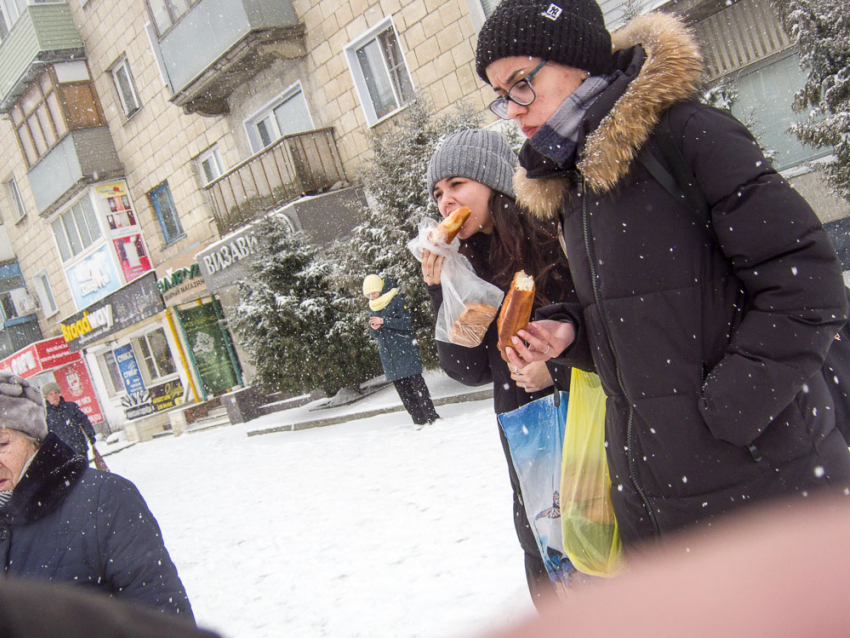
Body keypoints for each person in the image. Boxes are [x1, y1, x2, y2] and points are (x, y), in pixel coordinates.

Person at [474, 0, 850, 547]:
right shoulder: (575, 183)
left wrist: (726, 416)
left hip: (767, 490)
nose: (511, 108)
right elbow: (644, 310)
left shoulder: (688, 136)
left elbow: (807, 288)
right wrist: (572, 333)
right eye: (500, 94)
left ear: (575, 57)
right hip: (652, 499)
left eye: (520, 83)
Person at [421, 128, 576, 608]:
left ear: (493, 183)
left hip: (584, 428)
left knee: (594, 552)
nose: (446, 202)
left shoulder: (557, 238)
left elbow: (605, 329)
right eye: (438, 193)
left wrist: (559, 370)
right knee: (546, 558)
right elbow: (468, 368)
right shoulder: (467, 263)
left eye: (457, 184)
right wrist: (441, 287)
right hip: (525, 437)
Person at [0, 372, 195, 619]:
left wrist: (89, 438)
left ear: (34, 441)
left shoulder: (107, 500)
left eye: (1, 444)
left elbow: (163, 618)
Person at [363, 275, 441, 427]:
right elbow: (374, 335)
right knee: (404, 393)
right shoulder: (373, 307)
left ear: (380, 288)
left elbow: (407, 323)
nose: (372, 296)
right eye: (369, 294)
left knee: (418, 387)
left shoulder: (396, 299)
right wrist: (374, 329)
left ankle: (432, 417)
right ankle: (418, 421)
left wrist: (385, 321)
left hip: (405, 351)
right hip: (389, 357)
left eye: (374, 292)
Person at [42, 381, 97, 458]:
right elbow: (45, 435)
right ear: (46, 397)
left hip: (79, 448)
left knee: (85, 470)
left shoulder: (71, 407)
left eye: (56, 392)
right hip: (62, 454)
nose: (54, 395)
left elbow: (84, 420)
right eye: (51, 394)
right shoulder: (45, 415)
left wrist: (90, 435)